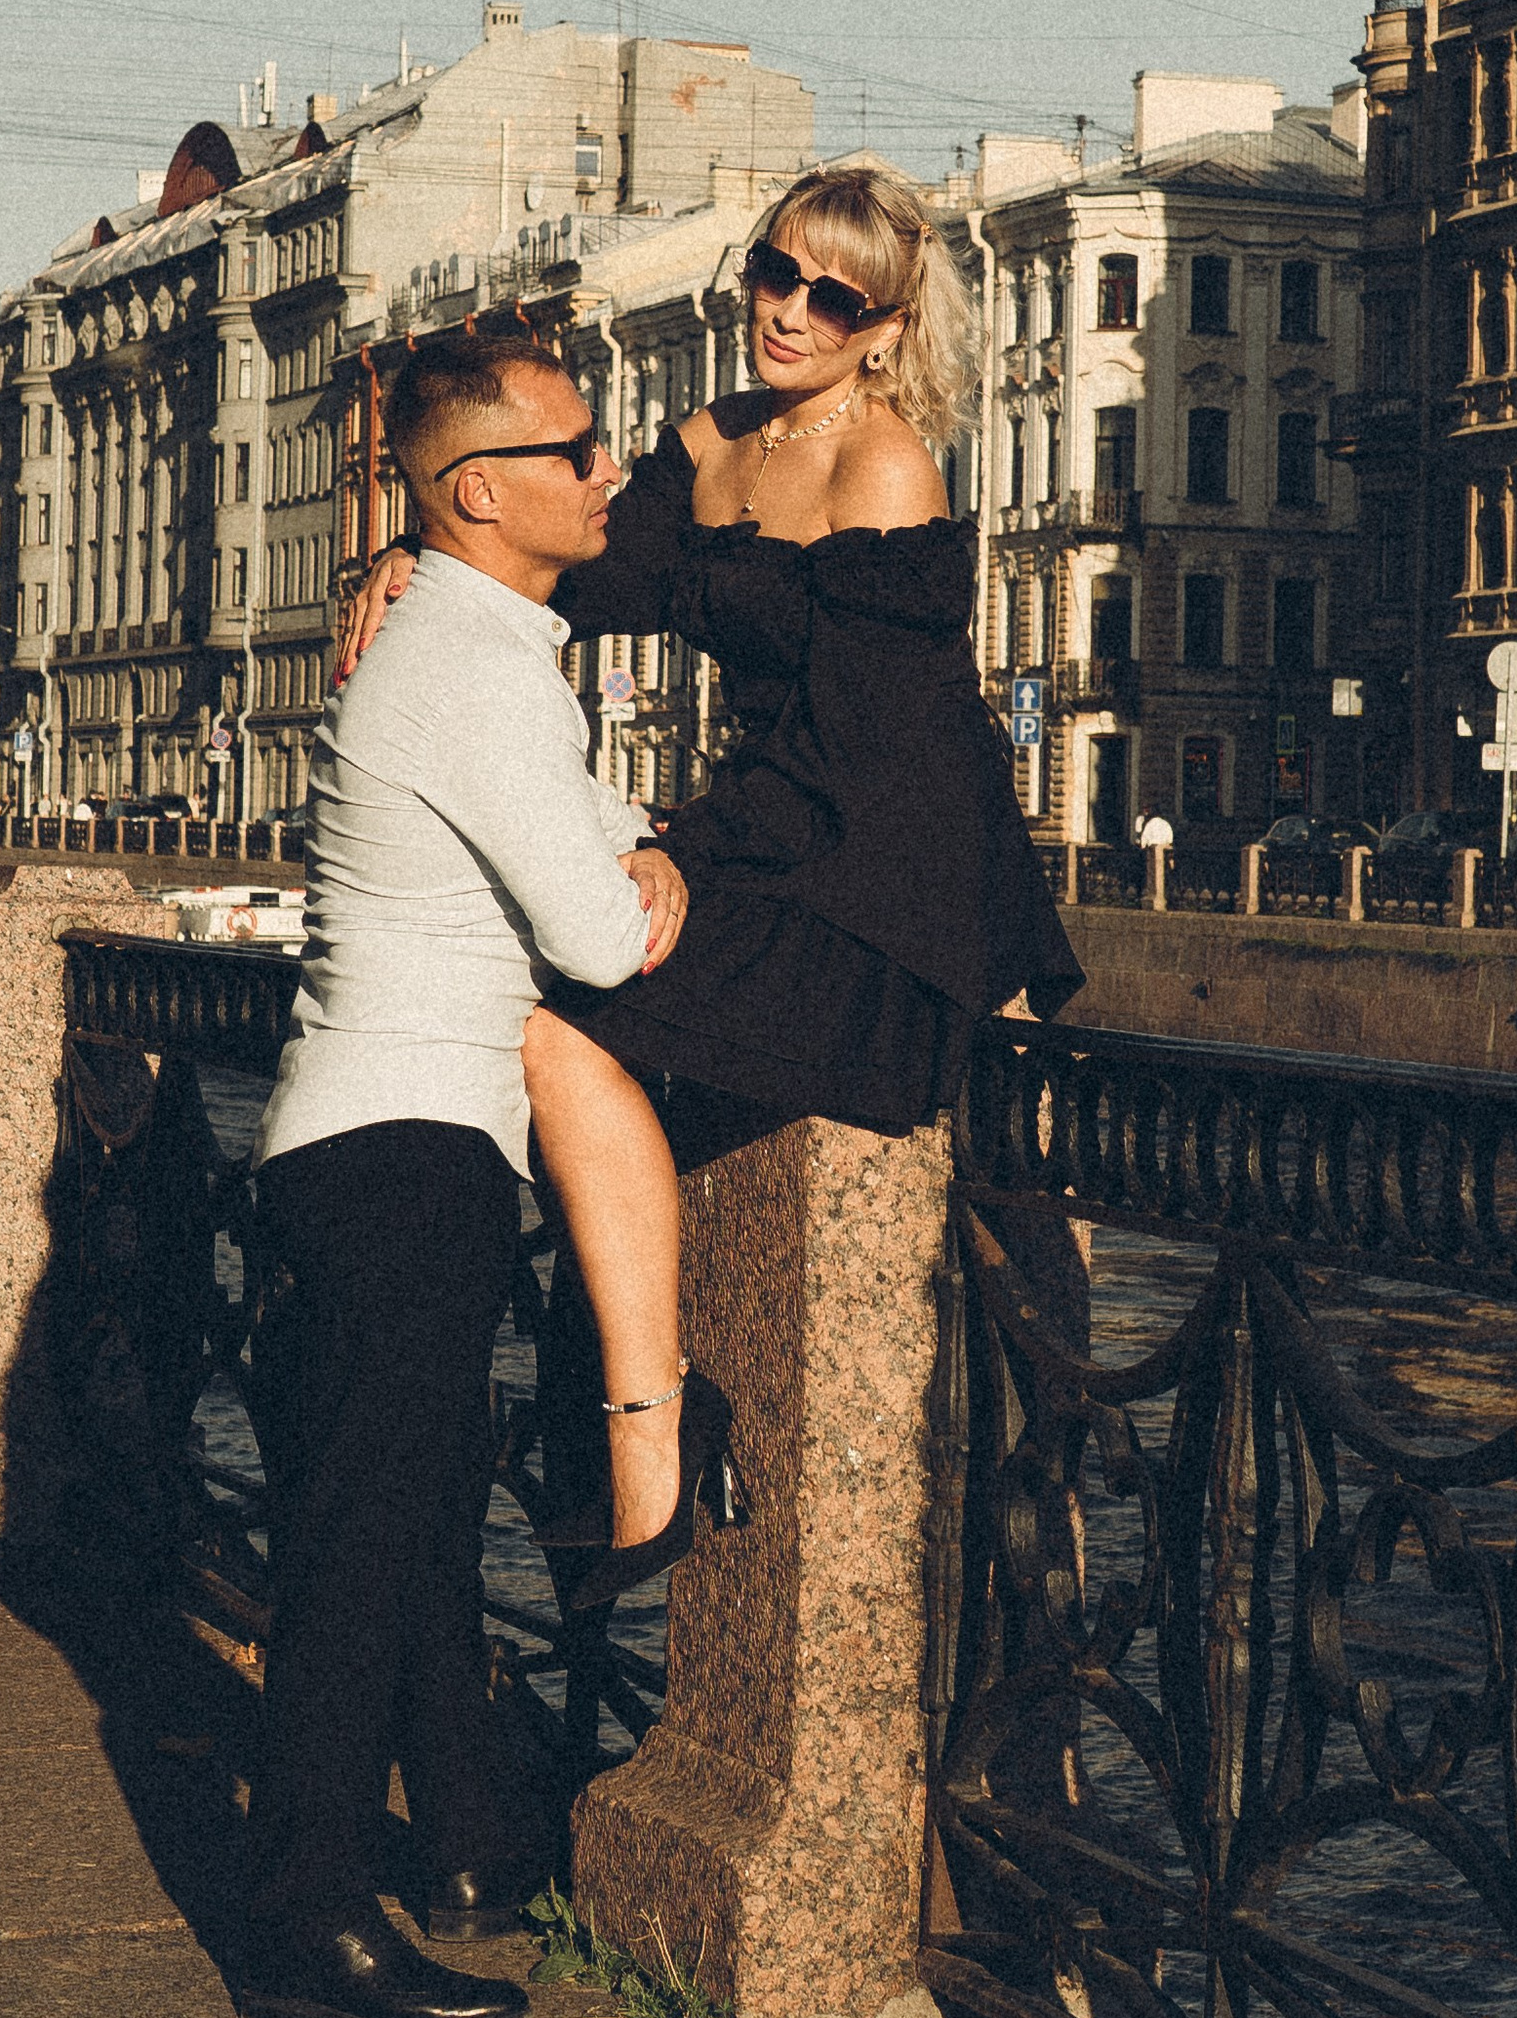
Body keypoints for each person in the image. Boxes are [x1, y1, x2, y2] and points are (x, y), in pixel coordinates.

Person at [342, 165, 1083, 1595]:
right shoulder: (714, 441)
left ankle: (639, 1440)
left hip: (894, 894)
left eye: (834, 297)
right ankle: (627, 1433)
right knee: (562, 1004)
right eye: (774, 271)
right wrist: (414, 545)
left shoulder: (886, 470)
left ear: (885, 329)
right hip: (781, 845)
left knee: (570, 1018)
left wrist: (675, 854)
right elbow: (576, 568)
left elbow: (862, 758)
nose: (788, 311)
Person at [235, 328, 688, 2018]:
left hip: (374, 1140)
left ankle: (479, 1845)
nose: (607, 474)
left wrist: (613, 824)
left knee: (417, 1526)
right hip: (408, 1145)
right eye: (578, 451)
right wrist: (645, 864)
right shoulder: (473, 670)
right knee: (365, 1542)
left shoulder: (470, 647)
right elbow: (591, 935)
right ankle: (302, 1915)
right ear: (480, 493)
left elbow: (557, 831)